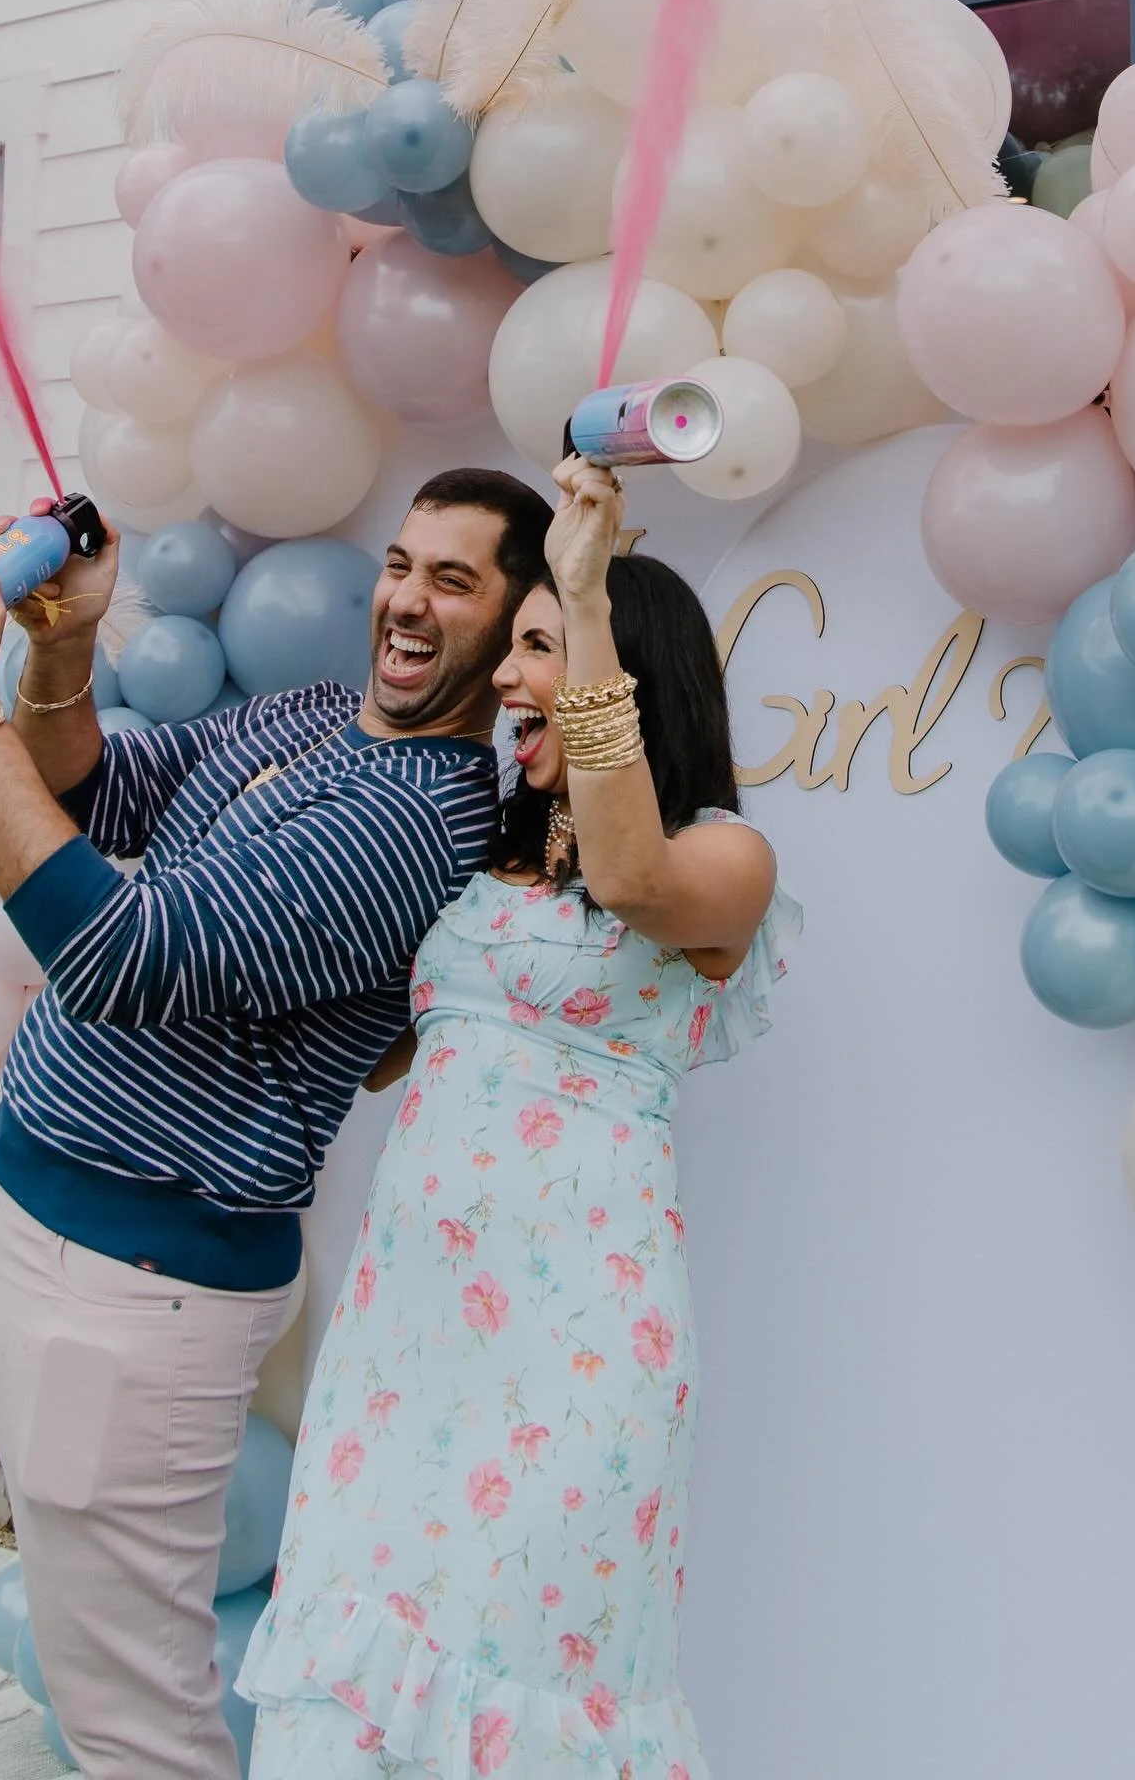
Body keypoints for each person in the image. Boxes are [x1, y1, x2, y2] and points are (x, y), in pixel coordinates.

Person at [0, 467, 554, 1780]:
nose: (405, 598)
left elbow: (125, 958)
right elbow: (90, 796)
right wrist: (58, 650)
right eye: (404, 564)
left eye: (453, 582)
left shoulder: (423, 821)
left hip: (132, 1297)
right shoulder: (312, 712)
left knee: (132, 1733)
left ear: (514, 617)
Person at [240, 456, 802, 1780]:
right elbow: (373, 1053)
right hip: (402, 1346)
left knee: (523, 1703)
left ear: (625, 667)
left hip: (574, 1369)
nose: (504, 676)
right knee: (341, 1706)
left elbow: (627, 869)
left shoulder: (726, 860)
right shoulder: (475, 862)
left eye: (537, 646)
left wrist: (587, 598)